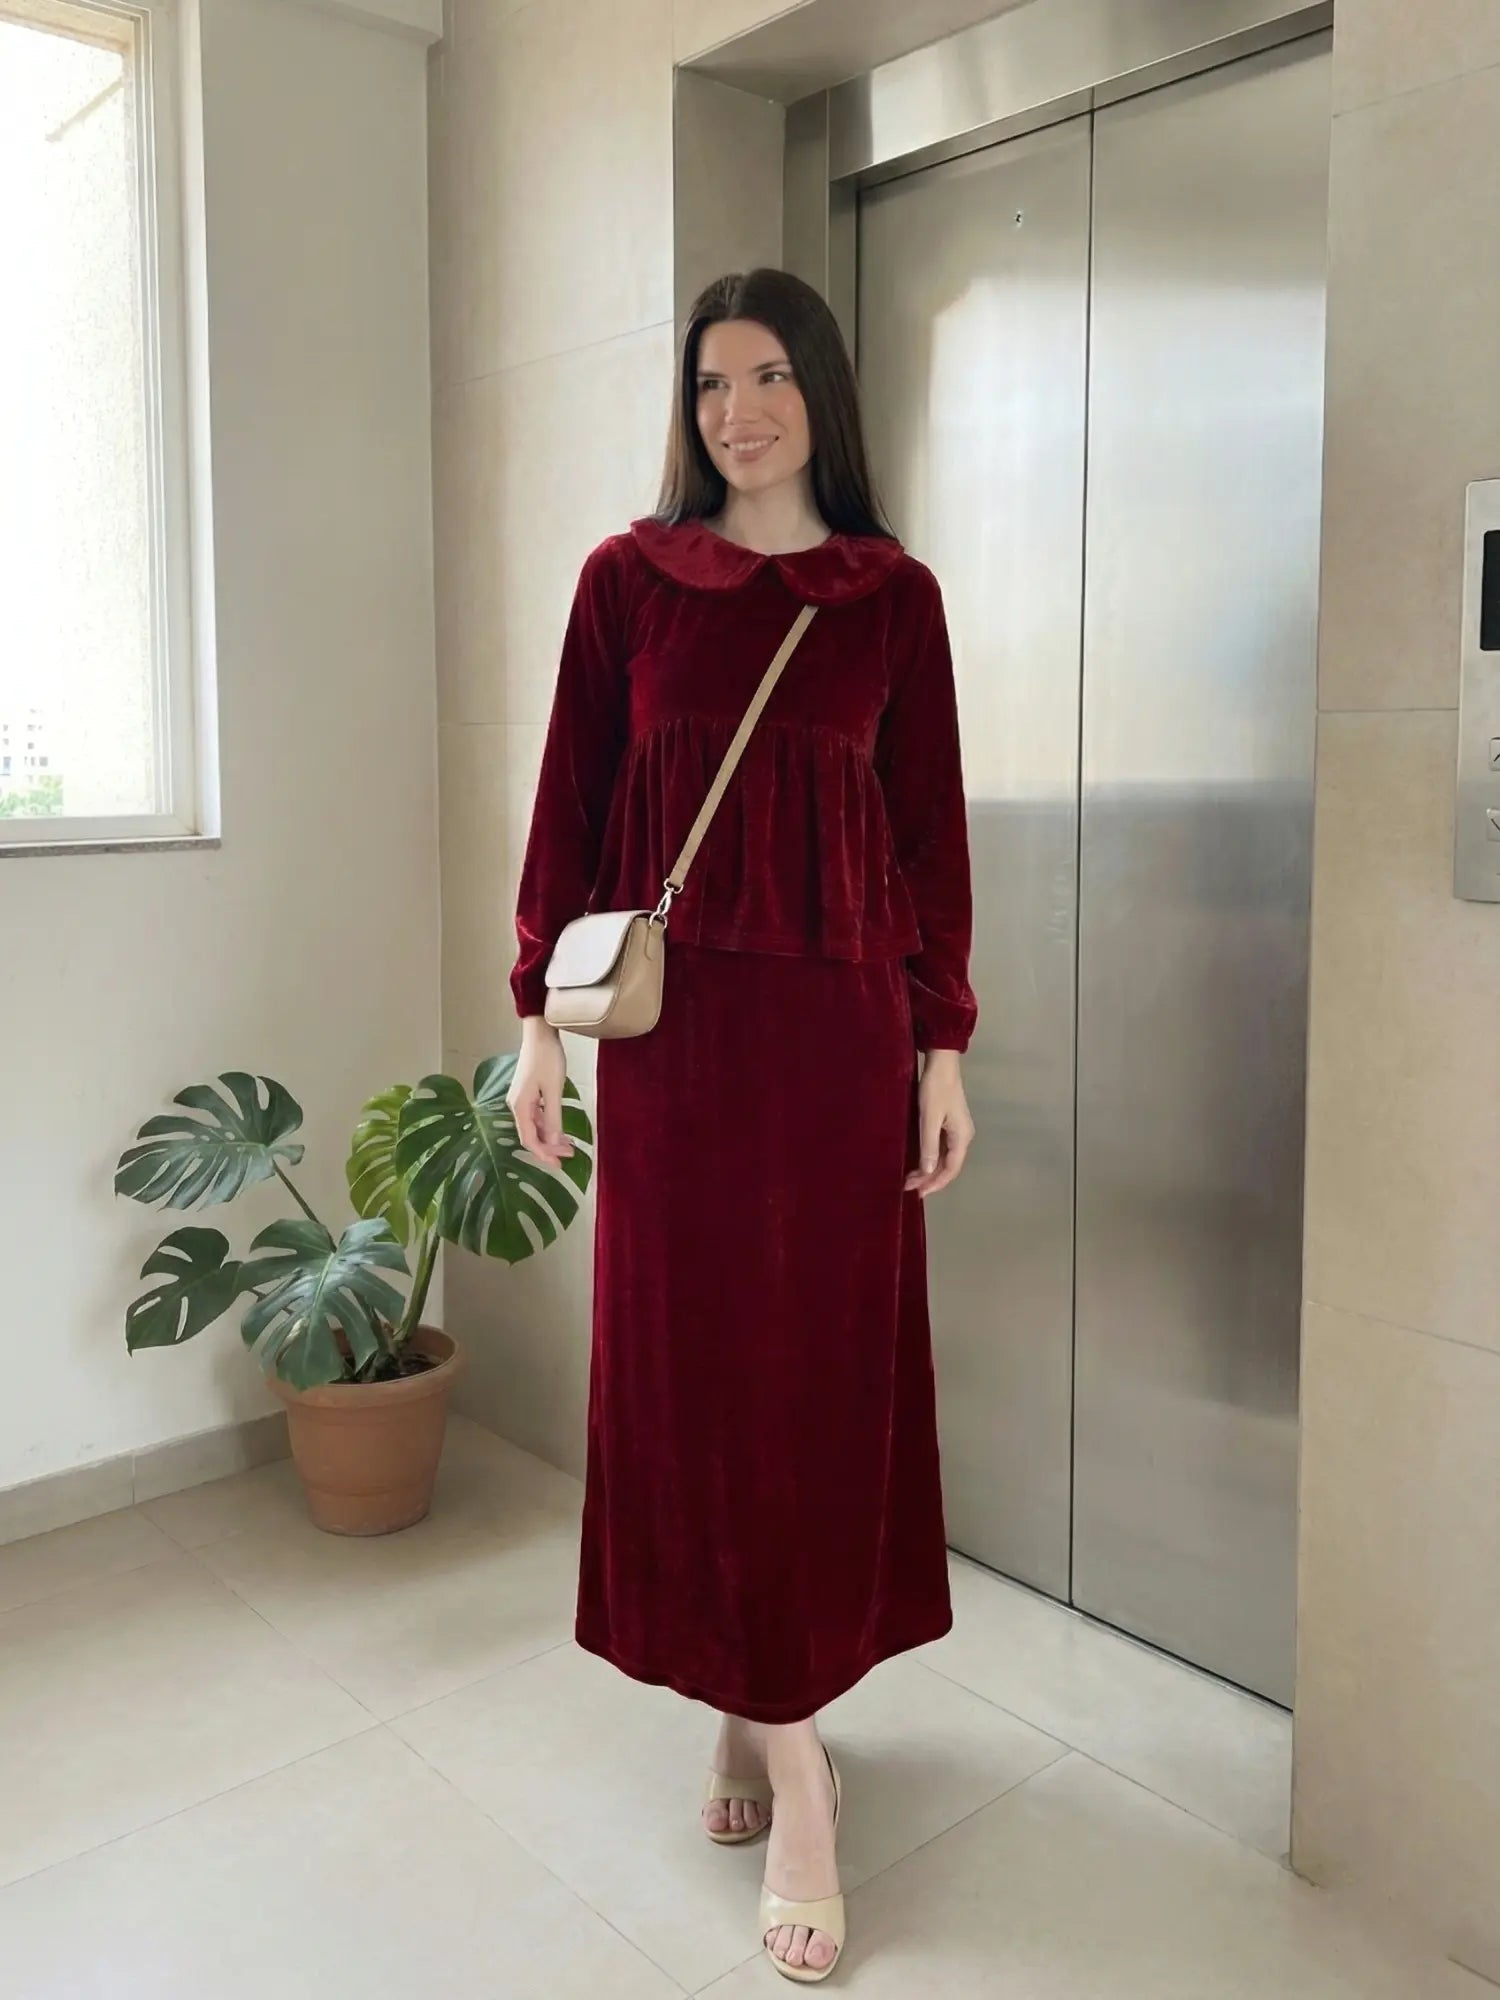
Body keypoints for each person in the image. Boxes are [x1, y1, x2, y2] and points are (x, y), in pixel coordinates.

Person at [506, 266, 977, 1984]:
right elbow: (568, 809)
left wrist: (941, 1049)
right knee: (697, 1383)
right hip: (679, 1053)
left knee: (810, 1390)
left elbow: (929, 841)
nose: (738, 411)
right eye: (712, 382)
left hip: (839, 1051)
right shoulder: (628, 584)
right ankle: (777, 1729)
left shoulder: (892, 600)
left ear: (820, 395)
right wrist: (534, 1027)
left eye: (770, 376)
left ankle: (782, 1756)